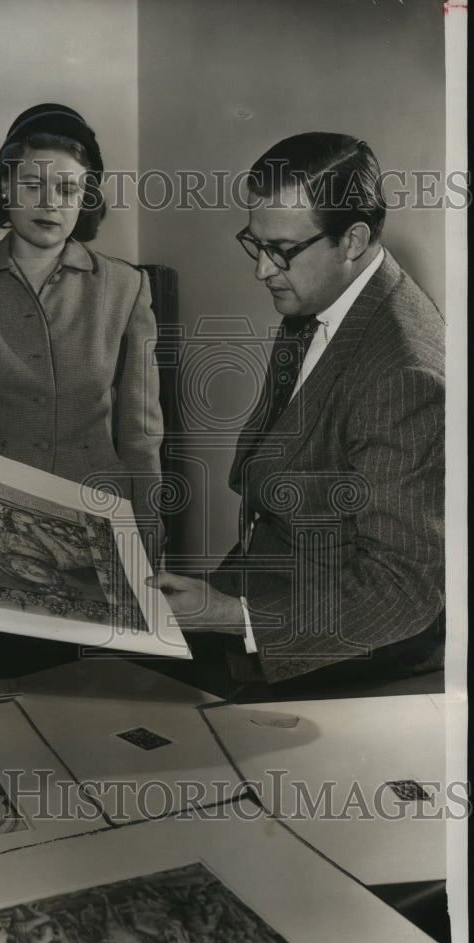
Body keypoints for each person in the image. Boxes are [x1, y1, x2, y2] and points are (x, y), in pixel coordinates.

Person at [149, 132, 444, 691]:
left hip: (340, 655)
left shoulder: (406, 371)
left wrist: (229, 616)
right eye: (254, 244)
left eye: (281, 250)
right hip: (264, 603)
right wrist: (220, 600)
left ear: (352, 239)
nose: (262, 270)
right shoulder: (318, 300)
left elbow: (405, 589)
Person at [0, 104, 164, 688]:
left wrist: (148, 552)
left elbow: (140, 433)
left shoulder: (126, 287)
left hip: (98, 538)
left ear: (87, 199)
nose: (50, 201)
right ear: (6, 188)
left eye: (68, 187)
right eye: (32, 183)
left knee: (90, 710)